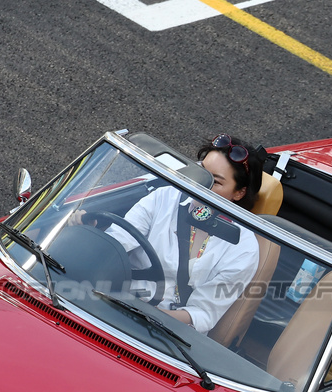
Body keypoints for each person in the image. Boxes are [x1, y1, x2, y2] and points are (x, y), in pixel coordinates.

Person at [105, 134, 263, 334]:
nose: (201, 185)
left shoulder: (243, 246)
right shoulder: (163, 198)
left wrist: (146, 316)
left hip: (170, 334)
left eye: (215, 182)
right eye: (201, 172)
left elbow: (203, 314)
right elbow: (115, 244)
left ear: (238, 193)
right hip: (115, 306)